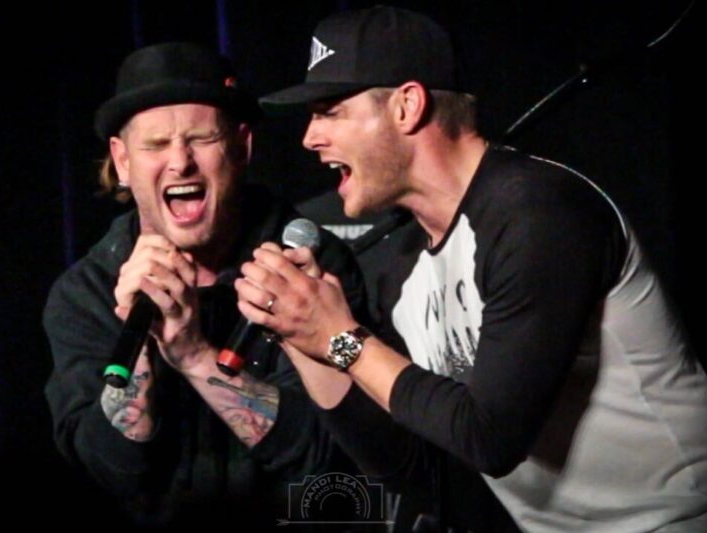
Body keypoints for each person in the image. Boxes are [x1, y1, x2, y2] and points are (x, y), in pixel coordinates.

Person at [235, 6, 707, 532]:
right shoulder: (404, 267)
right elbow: (422, 473)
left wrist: (340, 338)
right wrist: (307, 341)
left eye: (330, 111)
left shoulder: (538, 213)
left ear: (407, 106)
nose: (309, 138)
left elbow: (489, 438)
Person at [43, 42, 370, 528]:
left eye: (201, 138)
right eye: (155, 145)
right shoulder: (86, 291)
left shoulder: (309, 269)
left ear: (241, 146)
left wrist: (194, 355)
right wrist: (144, 348)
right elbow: (110, 471)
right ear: (123, 160)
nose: (180, 162)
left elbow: (327, 456)